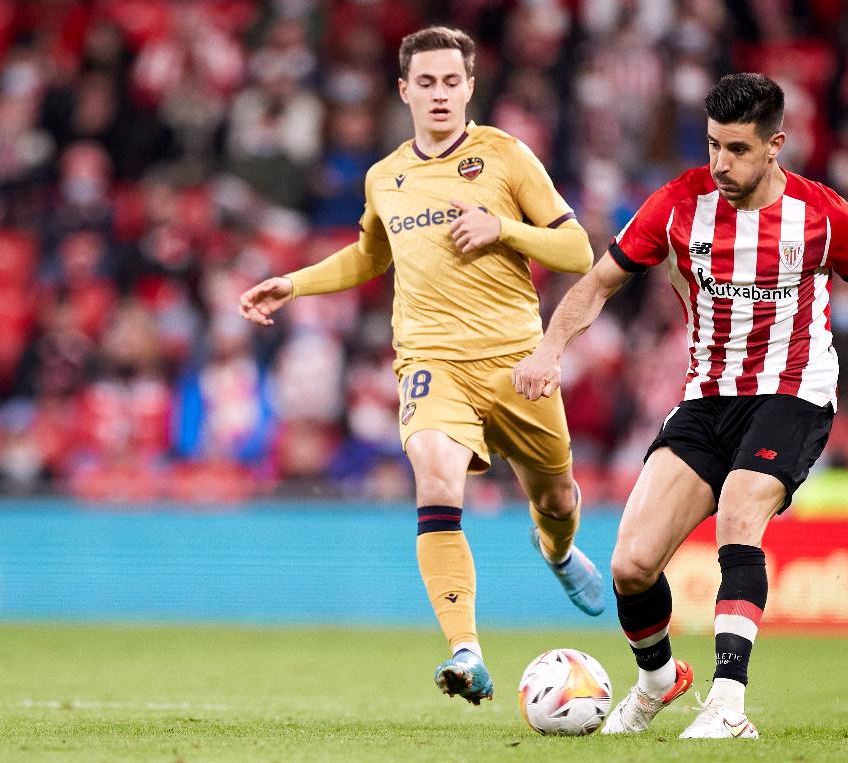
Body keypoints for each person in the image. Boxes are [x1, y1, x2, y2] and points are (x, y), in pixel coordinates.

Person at [514, 73, 848, 739]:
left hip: (793, 391)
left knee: (738, 514)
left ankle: (728, 706)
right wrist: (550, 349)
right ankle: (658, 682)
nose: (720, 163)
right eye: (712, 146)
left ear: (775, 145)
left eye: (737, 149)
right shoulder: (677, 205)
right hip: (707, 396)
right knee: (631, 565)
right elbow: (600, 282)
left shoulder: (821, 215)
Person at [239, 26, 602, 707]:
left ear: (470, 87)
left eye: (451, 81)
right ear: (404, 90)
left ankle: (556, 549)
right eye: (427, 82)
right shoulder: (386, 177)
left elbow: (578, 251)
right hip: (431, 361)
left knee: (556, 500)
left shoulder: (505, 155)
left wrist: (503, 228)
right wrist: (294, 283)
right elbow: (368, 257)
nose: (440, 94)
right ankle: (467, 651)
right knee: (434, 479)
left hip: (516, 363)